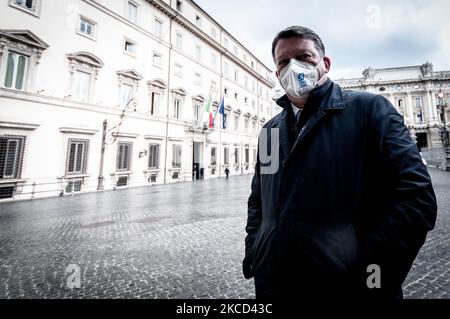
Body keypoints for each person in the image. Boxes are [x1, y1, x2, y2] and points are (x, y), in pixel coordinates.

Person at [243, 26, 437, 299]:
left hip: (349, 288)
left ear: (325, 63)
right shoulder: (270, 131)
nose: (293, 66)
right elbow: (259, 201)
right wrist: (255, 249)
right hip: (275, 283)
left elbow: (416, 201)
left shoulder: (370, 111)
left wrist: (370, 270)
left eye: (304, 57)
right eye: (284, 62)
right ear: (277, 73)